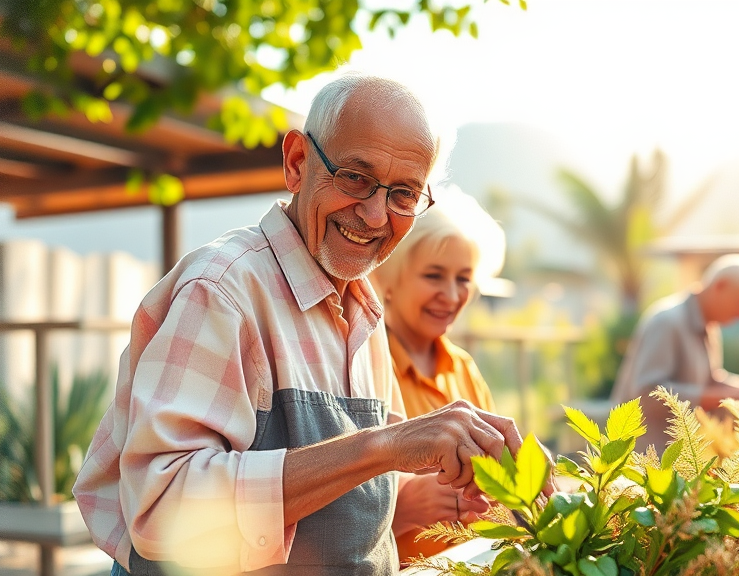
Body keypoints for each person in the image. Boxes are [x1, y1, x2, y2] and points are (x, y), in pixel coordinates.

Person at [73, 73, 541, 576]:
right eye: (355, 177)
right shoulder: (223, 290)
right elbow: (163, 511)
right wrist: (384, 447)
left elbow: (362, 487)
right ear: (297, 163)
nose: (376, 214)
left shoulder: (364, 309)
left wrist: (449, 474)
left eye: (404, 194)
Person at [368, 186, 506, 563]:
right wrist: (404, 503)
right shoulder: (363, 367)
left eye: (463, 279)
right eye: (433, 275)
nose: (451, 294)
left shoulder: (463, 368)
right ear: (389, 279)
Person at [610, 253, 739, 450]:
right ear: (720, 286)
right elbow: (647, 394)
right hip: (640, 460)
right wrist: (723, 398)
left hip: (676, 460)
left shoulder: (710, 326)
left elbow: (710, 381)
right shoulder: (667, 322)